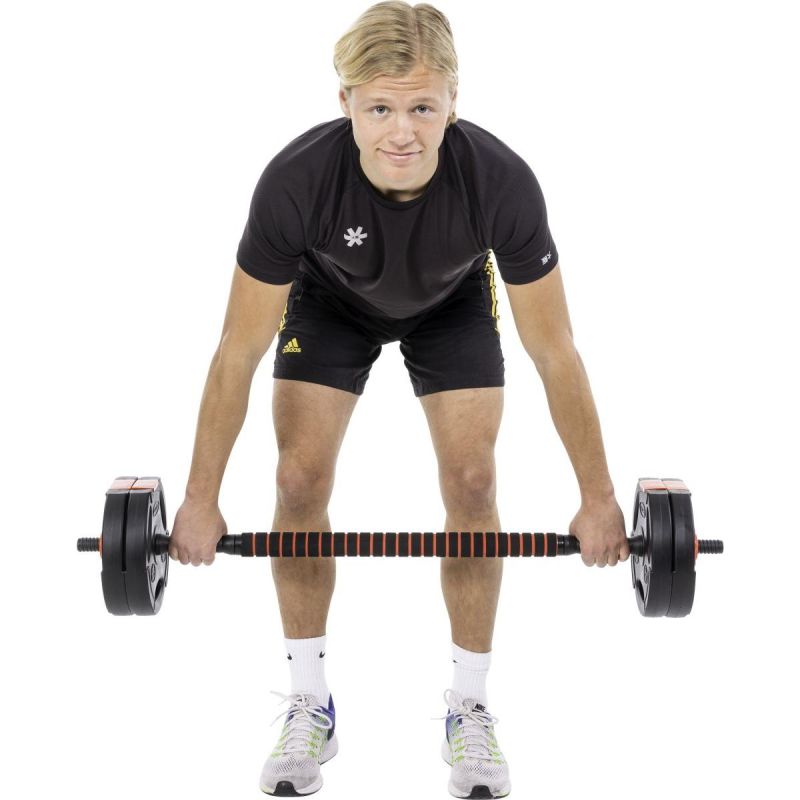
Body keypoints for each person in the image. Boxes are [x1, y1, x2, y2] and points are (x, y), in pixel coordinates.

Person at [168, 2, 629, 797]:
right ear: (345, 101)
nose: (403, 132)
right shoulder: (295, 183)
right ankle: (309, 703)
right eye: (380, 108)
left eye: (422, 107)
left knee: (474, 482)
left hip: (452, 305)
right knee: (298, 480)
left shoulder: (501, 183)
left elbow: (555, 350)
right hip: (330, 302)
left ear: (454, 100)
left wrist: (598, 498)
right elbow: (236, 352)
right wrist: (200, 499)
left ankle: (470, 708)